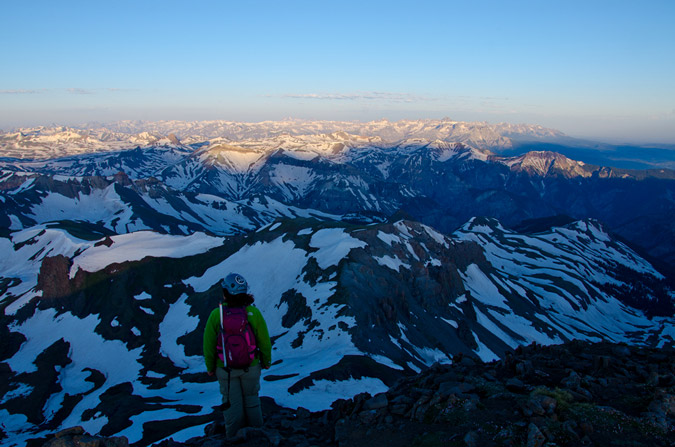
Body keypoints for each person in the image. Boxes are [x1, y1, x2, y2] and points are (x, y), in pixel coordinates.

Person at [203, 272, 272, 438]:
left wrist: (210, 367)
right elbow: (264, 340)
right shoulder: (253, 313)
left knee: (232, 405)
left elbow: (209, 344)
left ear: (225, 292)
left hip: (225, 369)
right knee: (252, 400)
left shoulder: (216, 315)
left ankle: (234, 439)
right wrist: (266, 361)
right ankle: (258, 438)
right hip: (251, 366)